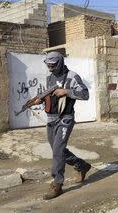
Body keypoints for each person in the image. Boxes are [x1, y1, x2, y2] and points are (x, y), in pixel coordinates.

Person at [32, 51, 92, 200]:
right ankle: (81, 165)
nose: (50, 68)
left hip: (65, 118)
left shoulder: (72, 76)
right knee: (58, 151)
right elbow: (50, 97)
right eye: (48, 65)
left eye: (53, 65)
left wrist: (66, 91)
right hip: (51, 119)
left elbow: (85, 94)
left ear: (59, 62)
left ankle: (57, 184)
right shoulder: (49, 77)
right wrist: (41, 100)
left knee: (58, 150)